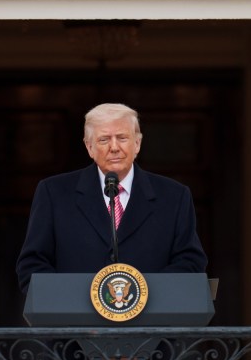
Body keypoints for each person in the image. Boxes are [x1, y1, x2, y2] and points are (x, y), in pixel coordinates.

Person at [16, 103, 207, 291]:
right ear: (89, 147)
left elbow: (190, 262)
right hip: (76, 320)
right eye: (104, 140)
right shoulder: (54, 193)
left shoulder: (174, 196)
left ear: (137, 143)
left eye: (122, 138)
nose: (114, 147)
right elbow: (33, 264)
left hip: (150, 319)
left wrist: (140, 295)